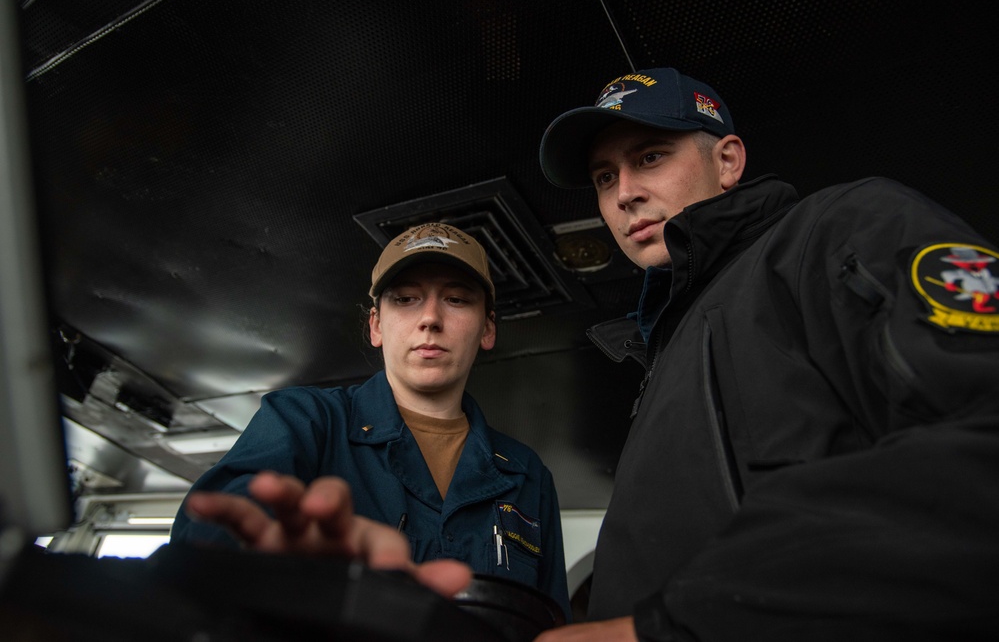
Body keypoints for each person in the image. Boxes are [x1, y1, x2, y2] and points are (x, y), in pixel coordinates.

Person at [532, 68, 999, 640]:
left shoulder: (838, 229)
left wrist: (679, 626)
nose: (625, 192)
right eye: (605, 177)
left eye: (650, 157)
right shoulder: (668, 348)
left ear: (727, 161)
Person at [171, 222, 570, 619]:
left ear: (487, 328)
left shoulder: (526, 474)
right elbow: (215, 528)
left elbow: (550, 623)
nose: (430, 318)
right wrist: (263, 561)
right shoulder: (305, 420)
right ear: (376, 325)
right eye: (407, 299)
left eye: (457, 299)